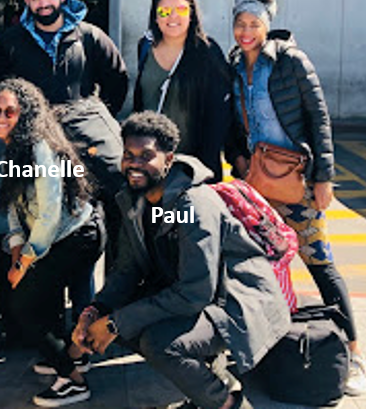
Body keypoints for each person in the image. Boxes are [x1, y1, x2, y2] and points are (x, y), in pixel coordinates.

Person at [59, 111, 290, 409]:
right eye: (128, 155)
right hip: (188, 293)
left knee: (160, 344)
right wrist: (96, 310)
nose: (135, 164)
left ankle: (226, 402)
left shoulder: (193, 205)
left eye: (146, 155)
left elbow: (197, 291)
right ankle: (210, 378)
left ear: (169, 160)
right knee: (122, 326)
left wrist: (115, 323)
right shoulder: (133, 199)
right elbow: (128, 269)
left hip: (232, 302)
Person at [226, 0, 366, 396]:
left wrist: (325, 178)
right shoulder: (235, 64)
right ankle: (276, 347)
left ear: (268, 25)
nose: (245, 31)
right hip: (258, 187)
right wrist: (237, 158)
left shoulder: (291, 61)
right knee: (267, 268)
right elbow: (234, 121)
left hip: (299, 183)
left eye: (254, 23)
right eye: (240, 23)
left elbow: (318, 119)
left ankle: (354, 353)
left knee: (320, 262)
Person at [0, 0, 128, 310]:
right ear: (27, 2)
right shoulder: (12, 41)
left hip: (85, 139)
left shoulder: (90, 36)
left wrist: (92, 114)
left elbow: (117, 80)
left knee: (96, 216)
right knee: (46, 217)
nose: (42, 3)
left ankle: (106, 305)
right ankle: (50, 316)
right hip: (37, 145)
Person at [0, 78, 103, 407]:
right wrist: (16, 249)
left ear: (24, 113)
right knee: (30, 296)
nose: (1, 118)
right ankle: (70, 357)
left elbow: (49, 212)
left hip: (77, 236)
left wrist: (25, 261)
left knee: (23, 305)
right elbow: (15, 207)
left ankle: (71, 380)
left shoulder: (38, 146)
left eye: (10, 111)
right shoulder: (15, 145)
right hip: (58, 237)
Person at [132, 0, 230, 181]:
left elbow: (219, 114)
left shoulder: (207, 51)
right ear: (155, 16)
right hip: (151, 160)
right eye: (165, 11)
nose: (173, 17)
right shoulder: (145, 47)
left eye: (181, 10)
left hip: (193, 164)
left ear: (192, 14)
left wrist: (207, 167)